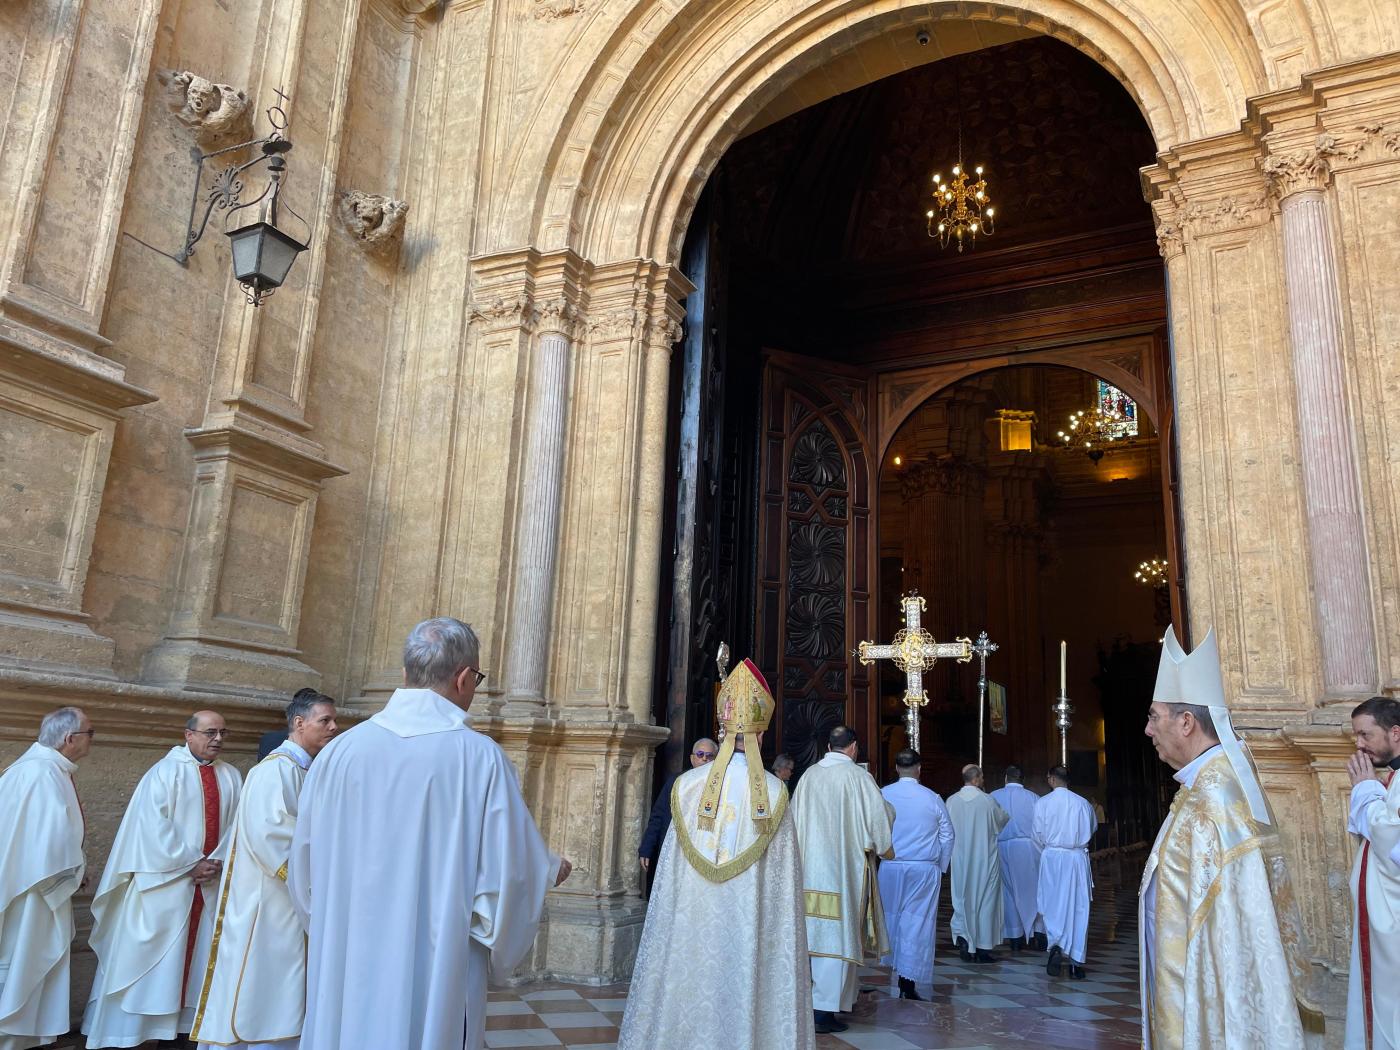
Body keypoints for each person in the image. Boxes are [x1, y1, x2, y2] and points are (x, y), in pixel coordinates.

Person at [289, 617, 571, 1050]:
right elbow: (508, 872)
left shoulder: (339, 752)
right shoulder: (479, 758)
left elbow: (304, 863)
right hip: (440, 956)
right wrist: (550, 869)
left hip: (348, 952)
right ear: (463, 679)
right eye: (475, 679)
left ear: (406, 676)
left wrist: (333, 925)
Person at [617, 659, 813, 1049]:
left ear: (722, 730)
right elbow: (782, 888)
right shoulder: (774, 794)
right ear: (761, 732)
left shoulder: (688, 787)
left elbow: (671, 876)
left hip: (692, 926)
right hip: (748, 930)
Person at [1141, 626, 1320, 1049]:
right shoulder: (1204, 786)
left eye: (1153, 716)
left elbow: (1234, 932)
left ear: (1186, 722)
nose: (1148, 730)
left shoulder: (1216, 799)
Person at [83, 711, 242, 1048]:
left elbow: (237, 827)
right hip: (165, 890)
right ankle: (132, 1037)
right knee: (152, 967)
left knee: (196, 968)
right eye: (210, 732)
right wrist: (189, 864)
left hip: (208, 889)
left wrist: (216, 862)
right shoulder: (164, 773)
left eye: (223, 733)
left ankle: (181, 1035)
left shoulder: (231, 776)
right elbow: (150, 829)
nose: (218, 739)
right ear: (188, 734)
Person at [191, 693, 339, 1050]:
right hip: (269, 902)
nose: (334, 727)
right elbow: (271, 834)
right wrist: (320, 876)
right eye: (326, 721)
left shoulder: (303, 769)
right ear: (299, 723)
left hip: (289, 903)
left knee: (283, 987)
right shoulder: (275, 770)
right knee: (264, 986)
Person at [792, 725, 893, 1034]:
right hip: (843, 873)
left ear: (828, 745)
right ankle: (823, 1011)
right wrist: (886, 843)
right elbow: (879, 819)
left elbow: (794, 819)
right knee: (837, 937)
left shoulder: (809, 776)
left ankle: (816, 1003)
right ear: (854, 748)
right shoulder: (859, 778)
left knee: (814, 937)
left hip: (810, 870)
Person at [0, 708, 91, 1050]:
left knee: (25, 962)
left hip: (32, 884)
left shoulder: (44, 769)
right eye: (90, 733)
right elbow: (47, 843)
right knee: (21, 960)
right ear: (70, 739)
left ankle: (20, 1037)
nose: (92, 741)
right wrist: (74, 871)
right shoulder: (39, 774)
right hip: (30, 890)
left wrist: (75, 865)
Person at [1345, 695, 1400, 1049]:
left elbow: (1394, 844)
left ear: (1395, 732)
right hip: (1379, 925)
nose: (1359, 745)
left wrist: (1365, 792)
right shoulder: (1392, 778)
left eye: (1365, 735)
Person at [878, 749, 954, 1000]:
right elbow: (948, 834)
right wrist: (941, 866)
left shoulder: (883, 794)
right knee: (917, 921)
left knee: (892, 918)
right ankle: (906, 981)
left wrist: (878, 857)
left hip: (891, 866)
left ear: (897, 769)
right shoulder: (931, 798)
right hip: (923, 867)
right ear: (919, 769)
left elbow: (872, 828)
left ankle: (895, 967)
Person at [1033, 765, 1095, 979]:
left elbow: (1037, 834)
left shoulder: (1042, 803)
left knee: (1052, 905)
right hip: (1076, 858)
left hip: (1051, 857)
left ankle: (1057, 945)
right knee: (1078, 907)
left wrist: (1049, 852)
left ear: (1051, 779)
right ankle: (1076, 963)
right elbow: (1092, 828)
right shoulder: (1083, 803)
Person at [946, 764, 1009, 964]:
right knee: (986, 901)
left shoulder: (951, 801)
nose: (983, 780)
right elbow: (1002, 821)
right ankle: (982, 947)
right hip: (984, 859)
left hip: (960, 859)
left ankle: (964, 938)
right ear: (976, 779)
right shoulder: (987, 800)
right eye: (981, 777)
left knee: (962, 898)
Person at [638, 737, 717, 872]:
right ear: (692, 758)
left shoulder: (721, 786)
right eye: (700, 754)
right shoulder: (677, 782)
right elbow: (659, 815)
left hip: (706, 852)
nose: (704, 758)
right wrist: (646, 848)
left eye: (710, 756)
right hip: (676, 849)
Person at [989, 764, 1044, 951]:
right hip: (1028, 847)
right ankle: (1037, 932)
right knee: (1032, 890)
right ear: (1023, 780)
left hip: (1002, 846)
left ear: (1006, 778)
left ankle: (1014, 936)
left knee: (1008, 892)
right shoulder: (1033, 798)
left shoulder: (993, 796)